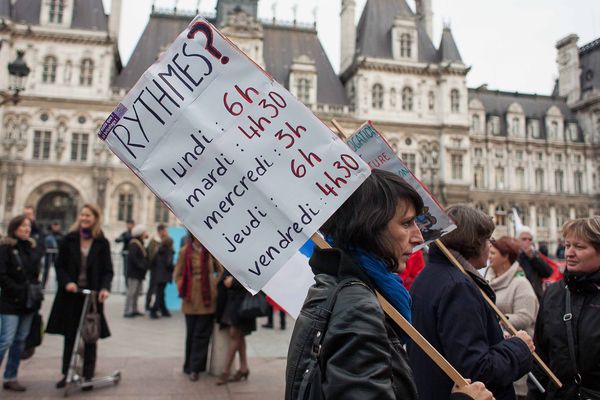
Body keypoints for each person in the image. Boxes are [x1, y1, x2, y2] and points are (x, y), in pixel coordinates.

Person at [286, 169, 494, 400]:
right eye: (406, 224)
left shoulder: (345, 285)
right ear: (369, 227)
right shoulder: (358, 306)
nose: (418, 238)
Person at [409, 205, 534, 400]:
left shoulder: (430, 276)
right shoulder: (458, 286)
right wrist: (519, 348)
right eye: (487, 239)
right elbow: (477, 371)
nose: (490, 246)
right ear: (474, 242)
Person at [527, 216, 600, 400]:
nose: (569, 253)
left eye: (580, 247)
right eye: (567, 246)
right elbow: (541, 359)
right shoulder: (554, 294)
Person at [46, 204, 113, 390]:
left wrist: (105, 288)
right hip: (71, 294)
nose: (84, 218)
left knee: (90, 337)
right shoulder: (69, 239)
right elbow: (59, 266)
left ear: (95, 218)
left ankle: (88, 375)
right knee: (70, 336)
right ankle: (66, 373)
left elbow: (108, 270)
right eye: (82, 215)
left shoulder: (102, 242)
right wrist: (66, 282)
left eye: (88, 215)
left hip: (92, 296)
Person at [484, 237, 539, 400]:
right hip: (496, 355)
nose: (489, 256)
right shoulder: (487, 280)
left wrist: (499, 320)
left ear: (506, 256)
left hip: (516, 353)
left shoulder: (520, 283)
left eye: (493, 253)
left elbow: (526, 316)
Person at [0, 215, 43, 392]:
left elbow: (35, 274)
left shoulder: (31, 248)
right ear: (14, 227)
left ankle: (11, 376)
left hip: (28, 302)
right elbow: (2, 275)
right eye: (23, 225)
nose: (27, 229)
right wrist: (17, 289)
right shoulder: (6, 248)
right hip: (11, 301)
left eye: (29, 226)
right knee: (5, 340)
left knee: (19, 341)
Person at [173, 234, 220, 381]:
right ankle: (188, 365)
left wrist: (214, 284)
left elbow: (220, 270)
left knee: (202, 335)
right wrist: (182, 285)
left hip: (207, 299)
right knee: (191, 333)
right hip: (190, 298)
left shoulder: (211, 251)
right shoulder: (184, 251)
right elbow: (178, 274)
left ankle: (195, 368)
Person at [215, 271, 258, 386]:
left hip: (242, 304)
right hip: (234, 302)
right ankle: (244, 368)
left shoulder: (249, 259)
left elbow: (252, 278)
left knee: (234, 335)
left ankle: (225, 371)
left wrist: (233, 282)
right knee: (239, 335)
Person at [517, 227, 553, 301]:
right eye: (524, 239)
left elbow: (548, 272)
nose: (527, 242)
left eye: (530, 239)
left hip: (536, 297)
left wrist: (533, 258)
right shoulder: (513, 255)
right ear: (518, 241)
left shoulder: (536, 255)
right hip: (520, 296)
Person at [124, 224, 148, 318]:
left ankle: (134, 309)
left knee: (136, 293)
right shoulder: (134, 243)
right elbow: (134, 258)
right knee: (131, 292)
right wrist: (141, 265)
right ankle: (128, 310)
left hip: (138, 273)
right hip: (134, 272)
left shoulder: (140, 243)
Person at [149, 236, 174, 319]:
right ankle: (154, 310)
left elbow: (152, 262)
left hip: (158, 275)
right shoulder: (169, 252)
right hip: (164, 275)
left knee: (161, 294)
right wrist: (175, 267)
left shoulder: (158, 250)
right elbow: (168, 264)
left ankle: (164, 310)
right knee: (159, 294)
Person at [145, 224, 168, 312]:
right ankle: (148, 305)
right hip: (155, 269)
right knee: (152, 287)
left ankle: (158, 306)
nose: (167, 233)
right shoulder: (154, 241)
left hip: (159, 269)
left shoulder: (162, 241)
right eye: (165, 231)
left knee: (158, 289)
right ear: (161, 231)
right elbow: (152, 256)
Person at [42, 221, 63, 288]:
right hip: (48, 255)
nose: (56, 227)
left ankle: (59, 286)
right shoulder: (48, 235)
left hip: (57, 255)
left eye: (57, 225)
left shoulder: (61, 235)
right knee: (46, 271)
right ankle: (43, 286)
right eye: (54, 225)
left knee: (58, 271)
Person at [115, 219, 134, 287]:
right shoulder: (125, 233)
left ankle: (132, 287)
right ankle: (128, 287)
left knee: (132, 272)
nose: (129, 226)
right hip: (126, 254)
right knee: (125, 272)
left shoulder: (134, 233)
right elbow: (117, 240)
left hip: (133, 255)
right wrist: (123, 238)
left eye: (130, 224)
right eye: (128, 224)